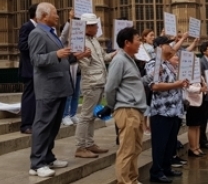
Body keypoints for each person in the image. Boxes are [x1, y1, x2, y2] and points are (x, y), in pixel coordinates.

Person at [28, 3, 89, 178]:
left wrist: (75, 56)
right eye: (55, 13)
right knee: (43, 125)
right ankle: (37, 163)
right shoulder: (37, 34)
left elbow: (61, 59)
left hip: (60, 87)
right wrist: (56, 55)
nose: (57, 16)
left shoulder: (52, 34)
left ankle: (48, 156)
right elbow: (36, 60)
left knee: (53, 126)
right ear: (45, 16)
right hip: (48, 88)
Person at [104, 27, 147, 184]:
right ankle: (124, 181)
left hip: (135, 110)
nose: (140, 43)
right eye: (137, 40)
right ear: (127, 42)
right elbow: (110, 87)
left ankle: (133, 179)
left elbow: (132, 83)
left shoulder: (130, 60)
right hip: (127, 110)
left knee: (135, 149)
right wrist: (114, 106)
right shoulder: (120, 60)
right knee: (126, 150)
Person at [145, 36, 188, 183]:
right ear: (161, 47)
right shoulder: (154, 63)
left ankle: (166, 167)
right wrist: (177, 84)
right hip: (161, 111)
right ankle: (156, 172)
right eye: (169, 44)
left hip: (174, 110)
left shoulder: (169, 64)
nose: (172, 46)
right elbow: (155, 86)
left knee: (170, 143)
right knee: (160, 144)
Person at [75, 13, 116, 158]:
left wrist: (115, 54)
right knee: (86, 116)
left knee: (92, 115)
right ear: (88, 27)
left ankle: (89, 143)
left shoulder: (94, 40)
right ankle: (80, 147)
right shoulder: (79, 41)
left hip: (99, 81)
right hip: (91, 82)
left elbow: (103, 57)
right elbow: (84, 63)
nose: (97, 27)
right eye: (95, 25)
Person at [18, 3, 38, 134]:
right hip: (29, 68)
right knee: (29, 96)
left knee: (36, 97)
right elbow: (22, 46)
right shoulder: (27, 26)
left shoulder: (38, 28)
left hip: (38, 68)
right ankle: (26, 124)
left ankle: (34, 122)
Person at [60, 10, 81, 126]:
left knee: (76, 93)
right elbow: (63, 35)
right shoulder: (62, 42)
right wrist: (70, 20)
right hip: (68, 68)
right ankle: (65, 115)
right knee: (68, 93)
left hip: (77, 67)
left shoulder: (78, 41)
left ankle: (73, 113)